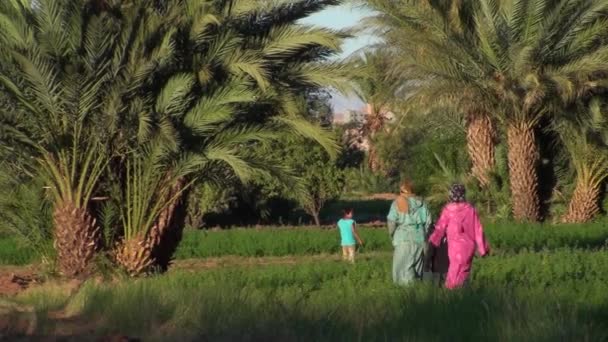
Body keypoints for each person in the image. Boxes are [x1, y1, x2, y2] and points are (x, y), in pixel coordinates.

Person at [429, 184, 490, 289]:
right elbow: (478, 230)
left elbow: (440, 227)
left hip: (454, 247)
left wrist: (433, 241)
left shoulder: (448, 210)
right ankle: (459, 291)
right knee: (464, 270)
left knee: (454, 267)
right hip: (468, 247)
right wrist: (483, 249)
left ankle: (452, 291)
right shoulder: (470, 210)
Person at [387, 180, 432, 285]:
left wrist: (392, 234)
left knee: (403, 271)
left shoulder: (397, 203)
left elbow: (391, 222)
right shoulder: (422, 204)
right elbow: (428, 223)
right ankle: (417, 292)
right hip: (420, 238)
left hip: (404, 238)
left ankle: (406, 295)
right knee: (417, 269)